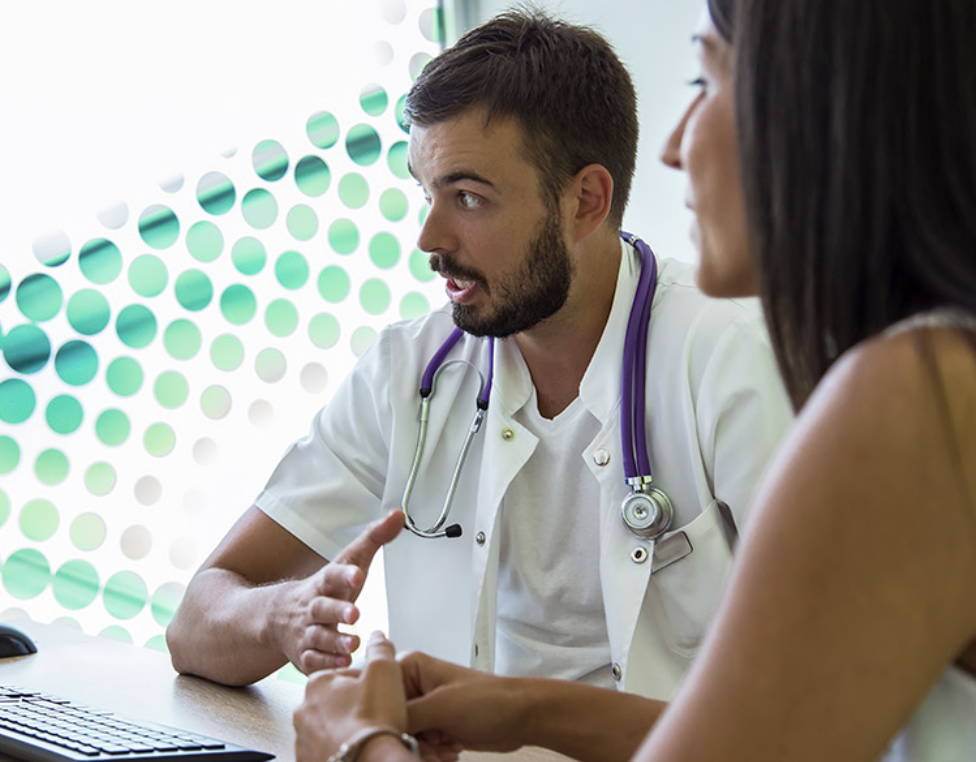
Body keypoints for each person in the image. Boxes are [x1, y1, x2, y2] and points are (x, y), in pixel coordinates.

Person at [291, 0, 976, 760]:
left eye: (707, 83)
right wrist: (518, 710)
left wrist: (360, 744)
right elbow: (752, 740)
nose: (676, 146)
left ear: (835, 118)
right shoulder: (939, 376)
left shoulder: (920, 399)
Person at [166, 9, 790, 701]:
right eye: (425, 192)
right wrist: (279, 616)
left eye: (468, 197)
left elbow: (819, 703)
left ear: (586, 200)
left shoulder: (730, 363)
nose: (429, 238)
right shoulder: (410, 373)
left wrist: (503, 721)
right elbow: (196, 622)